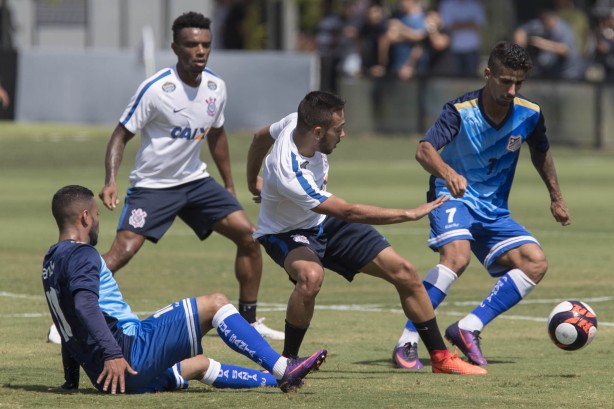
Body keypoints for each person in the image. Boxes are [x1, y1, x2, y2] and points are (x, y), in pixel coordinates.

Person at [246, 90, 487, 376]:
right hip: (285, 231)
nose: (344, 134)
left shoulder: (294, 122)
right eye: (339, 129)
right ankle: (287, 363)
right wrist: (408, 213)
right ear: (318, 131)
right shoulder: (289, 171)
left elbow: (260, 137)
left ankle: (441, 357)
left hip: (321, 220)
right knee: (311, 277)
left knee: (405, 271)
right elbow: (348, 212)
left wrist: (252, 182)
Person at [97, 11, 283, 340]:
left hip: (195, 183)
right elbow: (119, 135)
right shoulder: (155, 89)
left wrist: (228, 184)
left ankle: (250, 320)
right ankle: (66, 317)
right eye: (191, 44)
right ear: (175, 47)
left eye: (205, 45)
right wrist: (111, 179)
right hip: (153, 186)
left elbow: (217, 136)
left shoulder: (216, 86)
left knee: (250, 237)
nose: (199, 50)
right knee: (122, 252)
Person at [42, 185, 326, 394]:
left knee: (198, 364)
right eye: (96, 216)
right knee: (215, 303)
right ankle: (283, 368)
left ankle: (274, 376)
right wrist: (114, 355)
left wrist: (72, 380)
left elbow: (67, 322)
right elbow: (84, 307)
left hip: (110, 377)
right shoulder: (84, 255)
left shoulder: (51, 260)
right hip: (126, 356)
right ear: (84, 217)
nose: (97, 223)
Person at [392, 41, 571, 368]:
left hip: (493, 210)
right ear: (488, 74)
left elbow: (541, 151)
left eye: (518, 83)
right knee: (456, 259)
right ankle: (407, 341)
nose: (512, 90)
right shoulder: (459, 111)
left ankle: (467, 327)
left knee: (534, 262)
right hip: (451, 197)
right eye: (505, 81)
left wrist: (556, 198)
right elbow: (424, 150)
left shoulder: (529, 114)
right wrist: (447, 173)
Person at [513, 9, 584, 79]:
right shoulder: (539, 24)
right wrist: (520, 50)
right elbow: (520, 31)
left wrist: (542, 43)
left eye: (550, 22)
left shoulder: (563, 29)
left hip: (567, 74)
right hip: (545, 71)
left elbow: (565, 51)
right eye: (545, 23)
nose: (547, 26)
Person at [438, 0, 486, 77]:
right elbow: (447, 25)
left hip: (472, 48)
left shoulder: (475, 4)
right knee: (456, 80)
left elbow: (478, 24)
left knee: (471, 79)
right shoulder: (447, 4)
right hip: (454, 49)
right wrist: (469, 23)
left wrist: (458, 24)